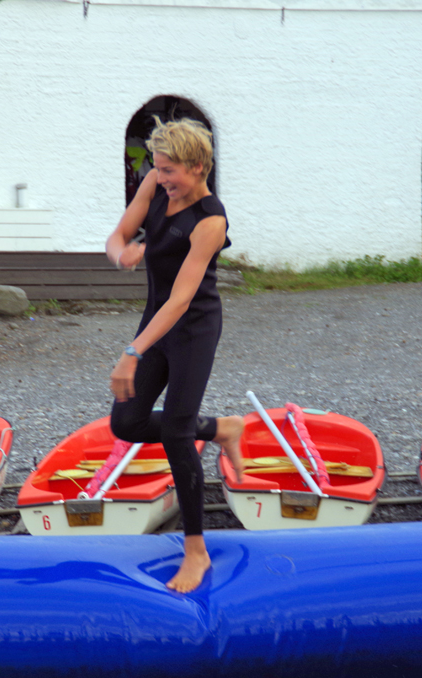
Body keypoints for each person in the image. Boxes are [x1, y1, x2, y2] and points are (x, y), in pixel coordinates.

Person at [106, 117, 245, 594]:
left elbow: (182, 299)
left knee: (176, 436)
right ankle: (222, 428)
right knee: (126, 423)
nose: (160, 177)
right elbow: (119, 235)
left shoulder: (210, 221)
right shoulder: (154, 183)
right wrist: (122, 253)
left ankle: (196, 550)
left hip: (192, 328)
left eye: (169, 170)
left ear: (198, 166)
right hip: (155, 321)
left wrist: (132, 351)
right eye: (157, 168)